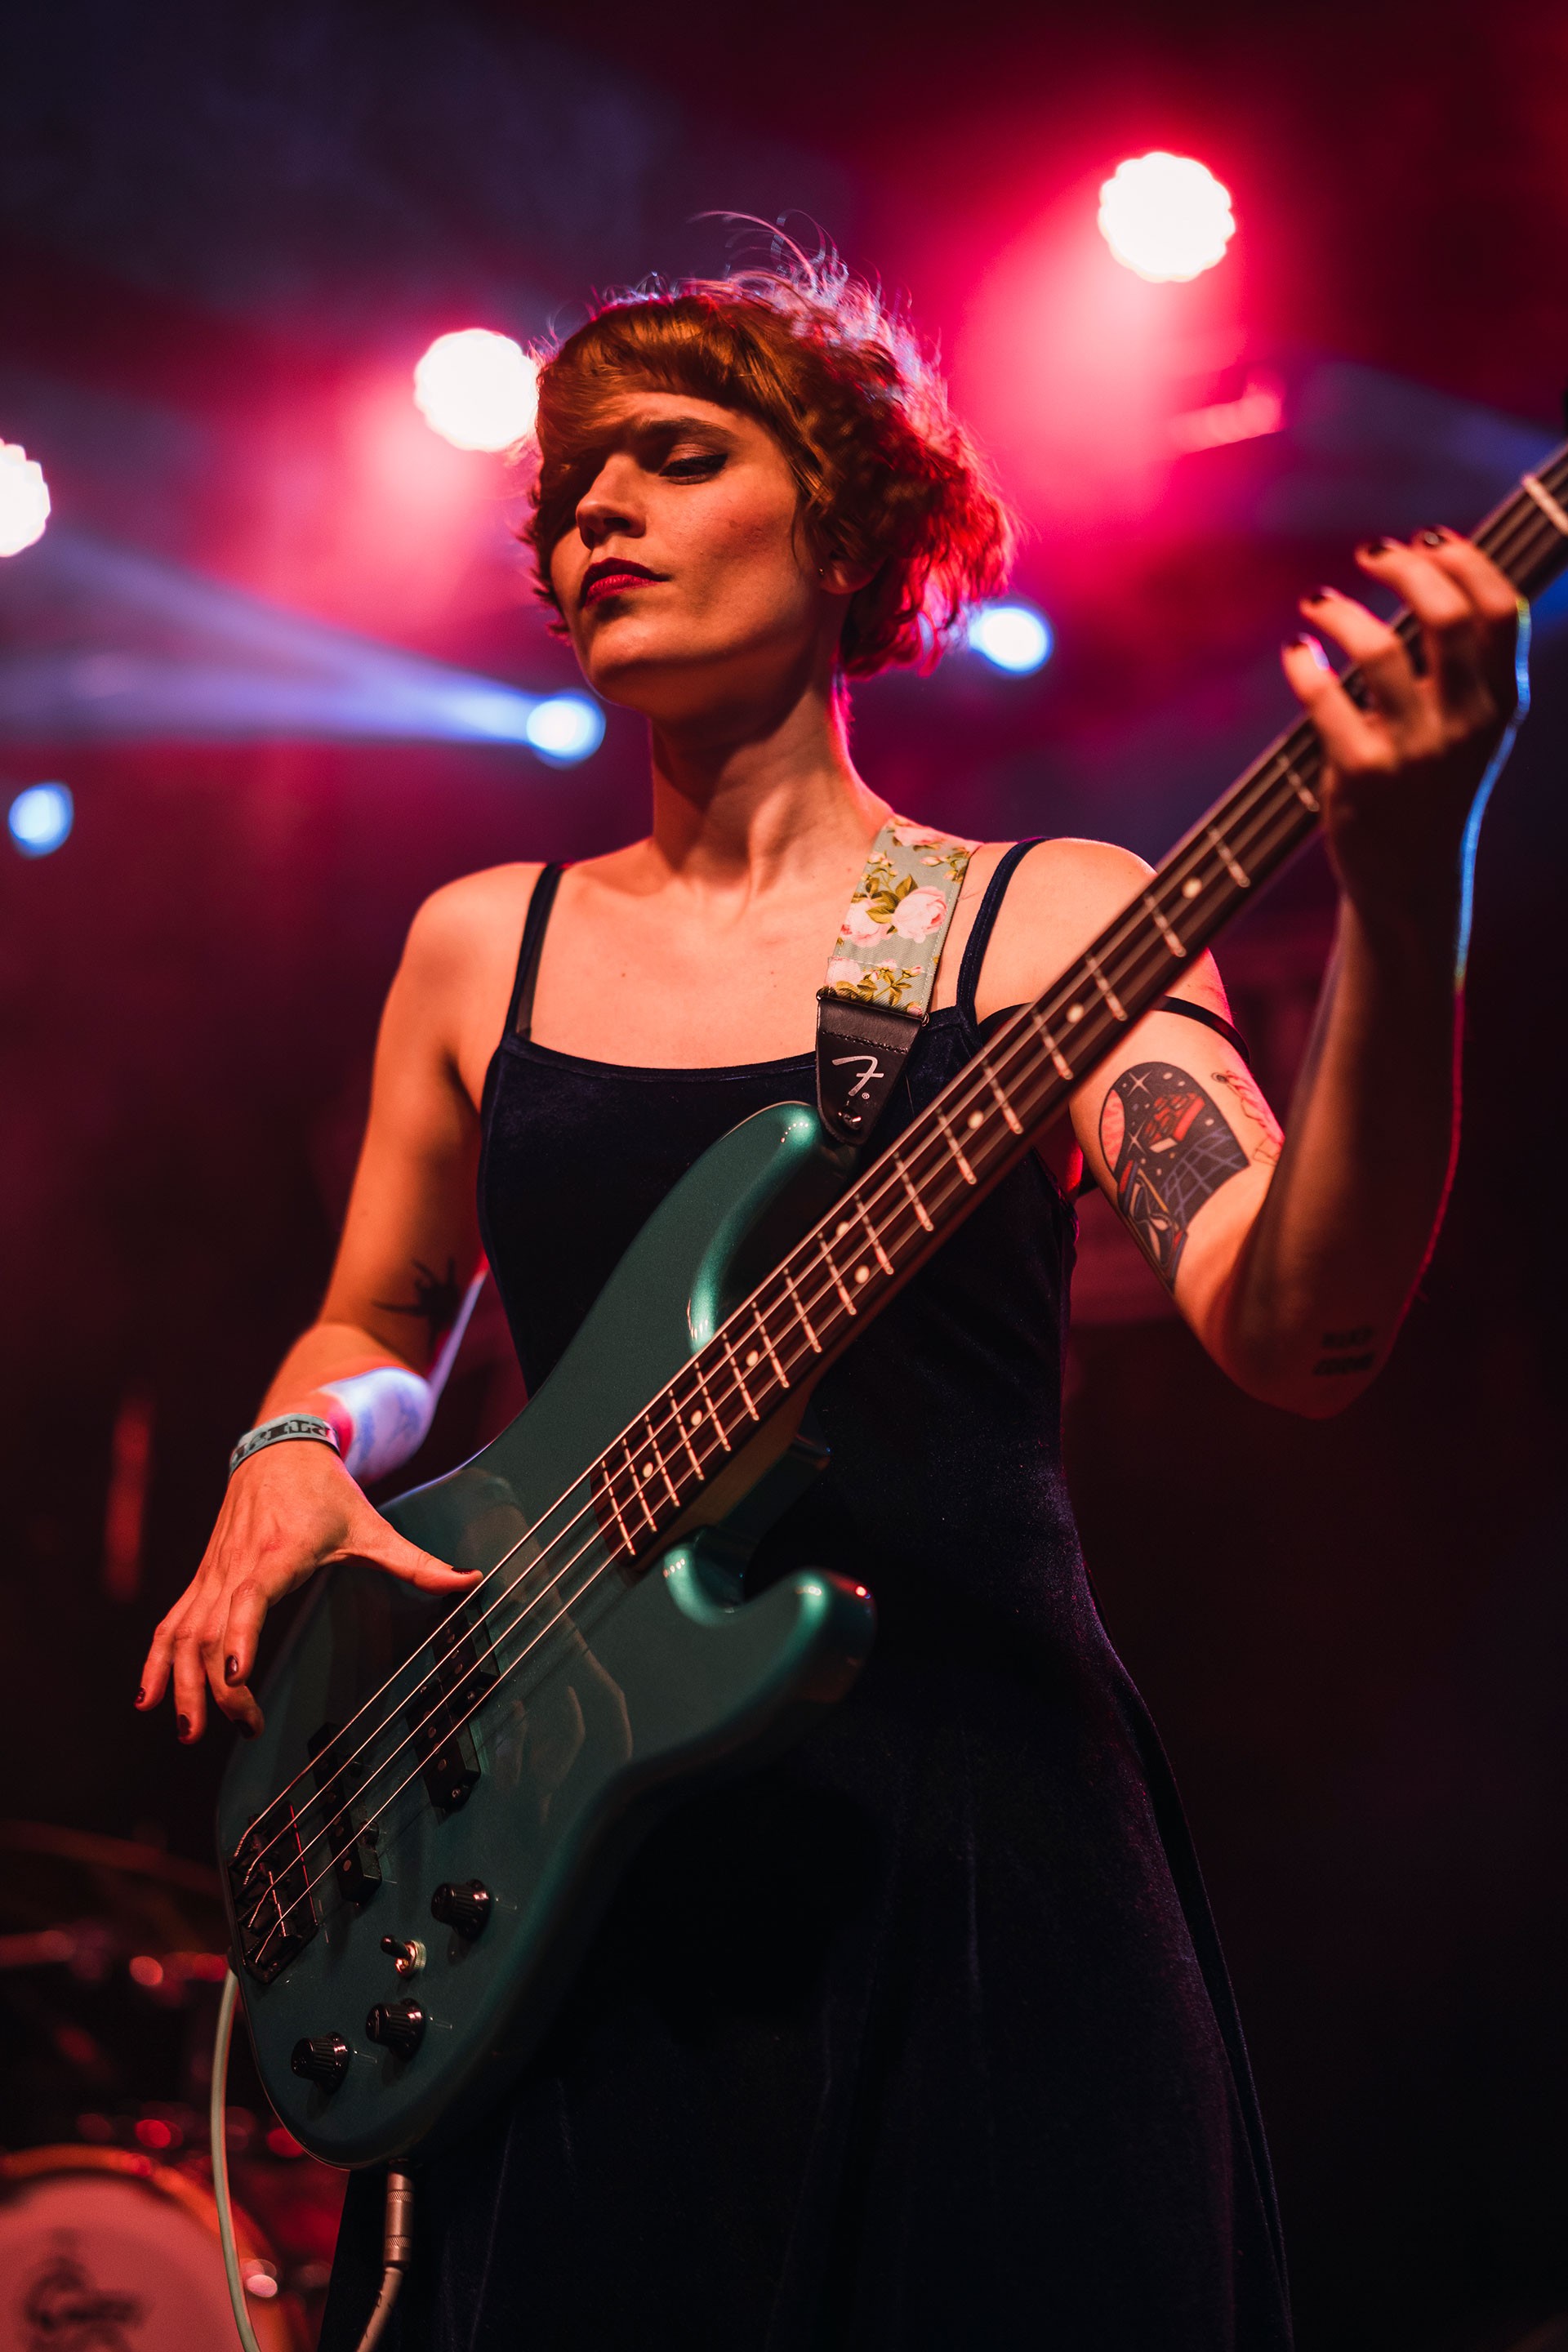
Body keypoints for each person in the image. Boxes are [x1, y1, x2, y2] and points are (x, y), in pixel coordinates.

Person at [136, 255, 1521, 2348]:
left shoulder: (1027, 918)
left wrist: (1410, 887)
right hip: (569, 1884)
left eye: (675, 459)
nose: (594, 515)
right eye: (571, 490)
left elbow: (1301, 1325)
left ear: (852, 522)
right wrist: (292, 1450)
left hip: (965, 1845)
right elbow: (376, 1328)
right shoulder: (474, 948)